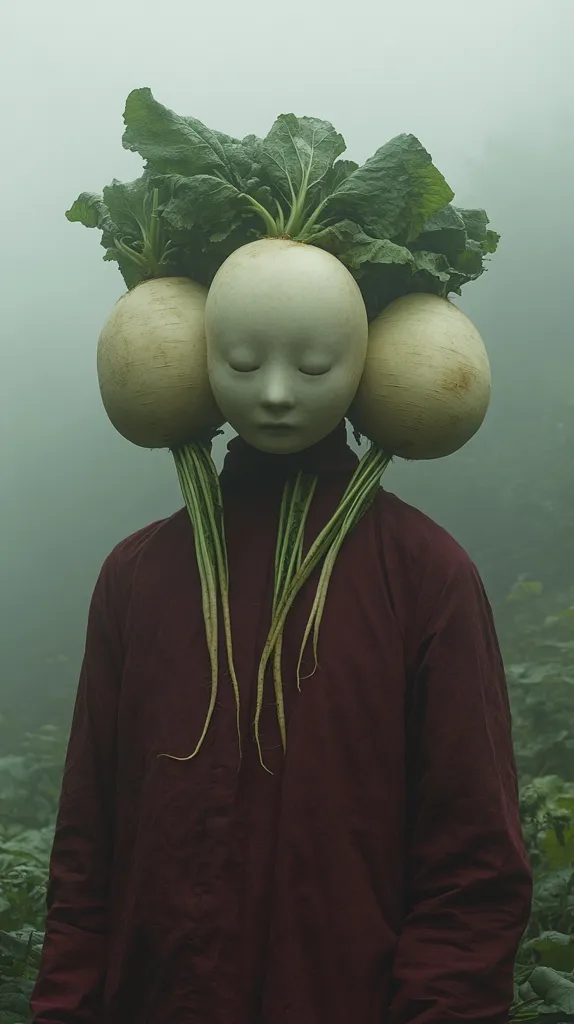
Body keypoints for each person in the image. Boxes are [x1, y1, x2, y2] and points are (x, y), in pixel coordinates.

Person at [31, 291, 533, 1023]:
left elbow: (474, 864)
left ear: (362, 368)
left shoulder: (426, 572)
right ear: (204, 363)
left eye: (313, 363)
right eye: (242, 360)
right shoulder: (137, 575)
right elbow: (86, 851)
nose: (273, 392)